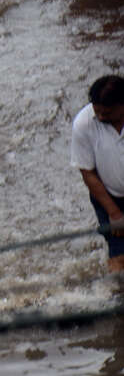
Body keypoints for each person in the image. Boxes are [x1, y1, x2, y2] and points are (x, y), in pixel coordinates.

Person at [70, 76, 124, 272]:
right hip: (109, 198)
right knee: (119, 258)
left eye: (107, 112)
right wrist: (114, 213)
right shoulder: (83, 123)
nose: (100, 117)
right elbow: (87, 172)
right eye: (97, 111)